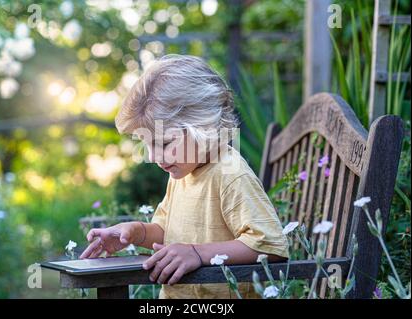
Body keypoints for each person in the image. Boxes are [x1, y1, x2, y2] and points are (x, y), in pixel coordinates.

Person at [80, 54, 289, 298]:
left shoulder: (230, 173)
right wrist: (135, 232)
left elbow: (269, 245)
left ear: (203, 126)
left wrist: (197, 254)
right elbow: (166, 231)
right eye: (147, 145)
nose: (154, 157)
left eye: (165, 143)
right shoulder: (183, 173)